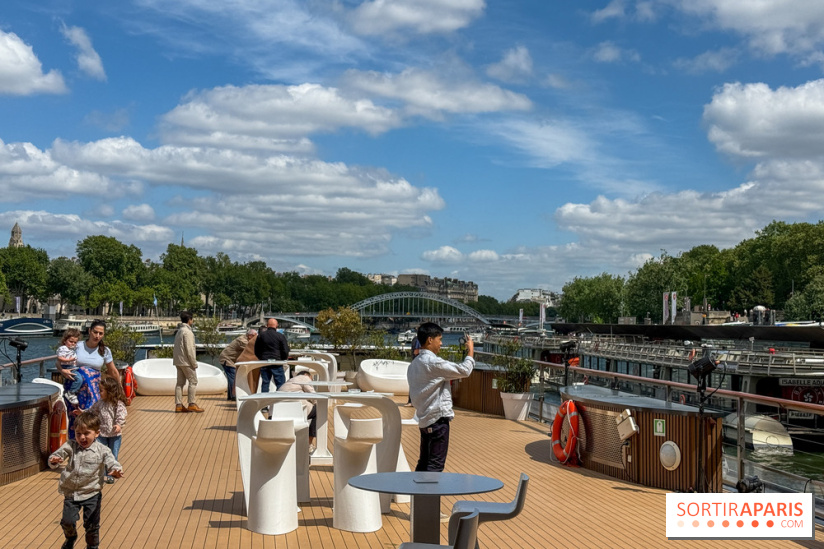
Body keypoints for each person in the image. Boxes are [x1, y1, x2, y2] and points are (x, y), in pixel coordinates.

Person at [49, 411, 123, 549]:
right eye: (78, 434)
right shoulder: (71, 445)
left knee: (92, 525)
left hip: (92, 493)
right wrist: (54, 460)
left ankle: (92, 546)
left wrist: (116, 471)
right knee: (67, 521)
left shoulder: (102, 450)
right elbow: (58, 454)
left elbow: (112, 462)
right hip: (71, 492)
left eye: (86, 433)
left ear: (97, 433)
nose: (82, 437)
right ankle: (70, 537)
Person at [407, 322, 474, 473]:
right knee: (435, 466)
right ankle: (429, 489)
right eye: (440, 339)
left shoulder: (414, 365)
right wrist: (470, 351)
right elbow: (465, 370)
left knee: (423, 463)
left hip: (424, 419)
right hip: (437, 420)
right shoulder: (433, 363)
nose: (441, 343)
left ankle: (417, 488)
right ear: (430, 340)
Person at [56, 320, 120, 438]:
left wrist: (119, 390)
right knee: (75, 419)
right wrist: (62, 371)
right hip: (75, 391)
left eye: (101, 333)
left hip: (93, 390)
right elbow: (59, 362)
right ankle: (75, 446)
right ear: (89, 331)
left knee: (92, 418)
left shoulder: (105, 351)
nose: (97, 336)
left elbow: (113, 371)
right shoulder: (77, 345)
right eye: (95, 332)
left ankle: (93, 446)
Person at [86, 377, 127, 483]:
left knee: (113, 455)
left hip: (114, 435)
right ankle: (102, 473)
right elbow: (92, 411)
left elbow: (121, 415)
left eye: (101, 391)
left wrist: (118, 425)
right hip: (101, 434)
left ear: (109, 391)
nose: (99, 393)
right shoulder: (100, 403)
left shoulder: (117, 404)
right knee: (102, 454)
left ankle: (111, 474)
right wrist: (82, 413)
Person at [278, 370, 317, 453]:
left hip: (277, 412)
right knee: (317, 412)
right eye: (311, 379)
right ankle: (308, 444)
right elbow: (312, 393)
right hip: (295, 410)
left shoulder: (288, 382)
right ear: (306, 375)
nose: (311, 381)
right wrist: (317, 403)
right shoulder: (304, 378)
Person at [173, 311, 203, 413]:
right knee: (193, 381)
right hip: (186, 361)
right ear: (189, 320)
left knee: (180, 383)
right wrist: (193, 363)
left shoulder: (179, 331)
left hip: (178, 361)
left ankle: (178, 405)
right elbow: (190, 349)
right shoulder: (188, 332)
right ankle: (192, 404)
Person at [218, 328, 257, 401]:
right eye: (255, 336)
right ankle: (234, 395)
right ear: (250, 336)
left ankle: (231, 396)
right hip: (227, 359)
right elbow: (251, 350)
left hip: (229, 359)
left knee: (231, 377)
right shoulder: (243, 341)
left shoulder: (245, 339)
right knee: (233, 377)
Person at [254, 318, 290, 393]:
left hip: (265, 362)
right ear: (276, 326)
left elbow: (256, 350)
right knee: (280, 384)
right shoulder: (280, 336)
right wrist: (282, 359)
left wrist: (261, 358)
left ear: (267, 325)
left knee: (265, 383)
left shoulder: (261, 336)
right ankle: (279, 398)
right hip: (277, 362)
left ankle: (264, 399)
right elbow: (285, 350)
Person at [57, 328, 83, 406]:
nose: (73, 344)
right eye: (71, 341)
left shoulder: (73, 348)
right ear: (65, 341)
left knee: (75, 378)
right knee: (78, 379)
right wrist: (69, 360)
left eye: (75, 342)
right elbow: (59, 358)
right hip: (68, 367)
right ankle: (71, 392)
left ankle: (70, 391)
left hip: (72, 366)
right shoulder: (63, 348)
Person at [405, 334, 421, 406]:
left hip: (416, 362)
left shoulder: (416, 339)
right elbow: (416, 351)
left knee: (414, 383)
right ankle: (411, 401)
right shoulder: (419, 339)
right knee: (416, 383)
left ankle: (411, 401)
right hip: (418, 363)